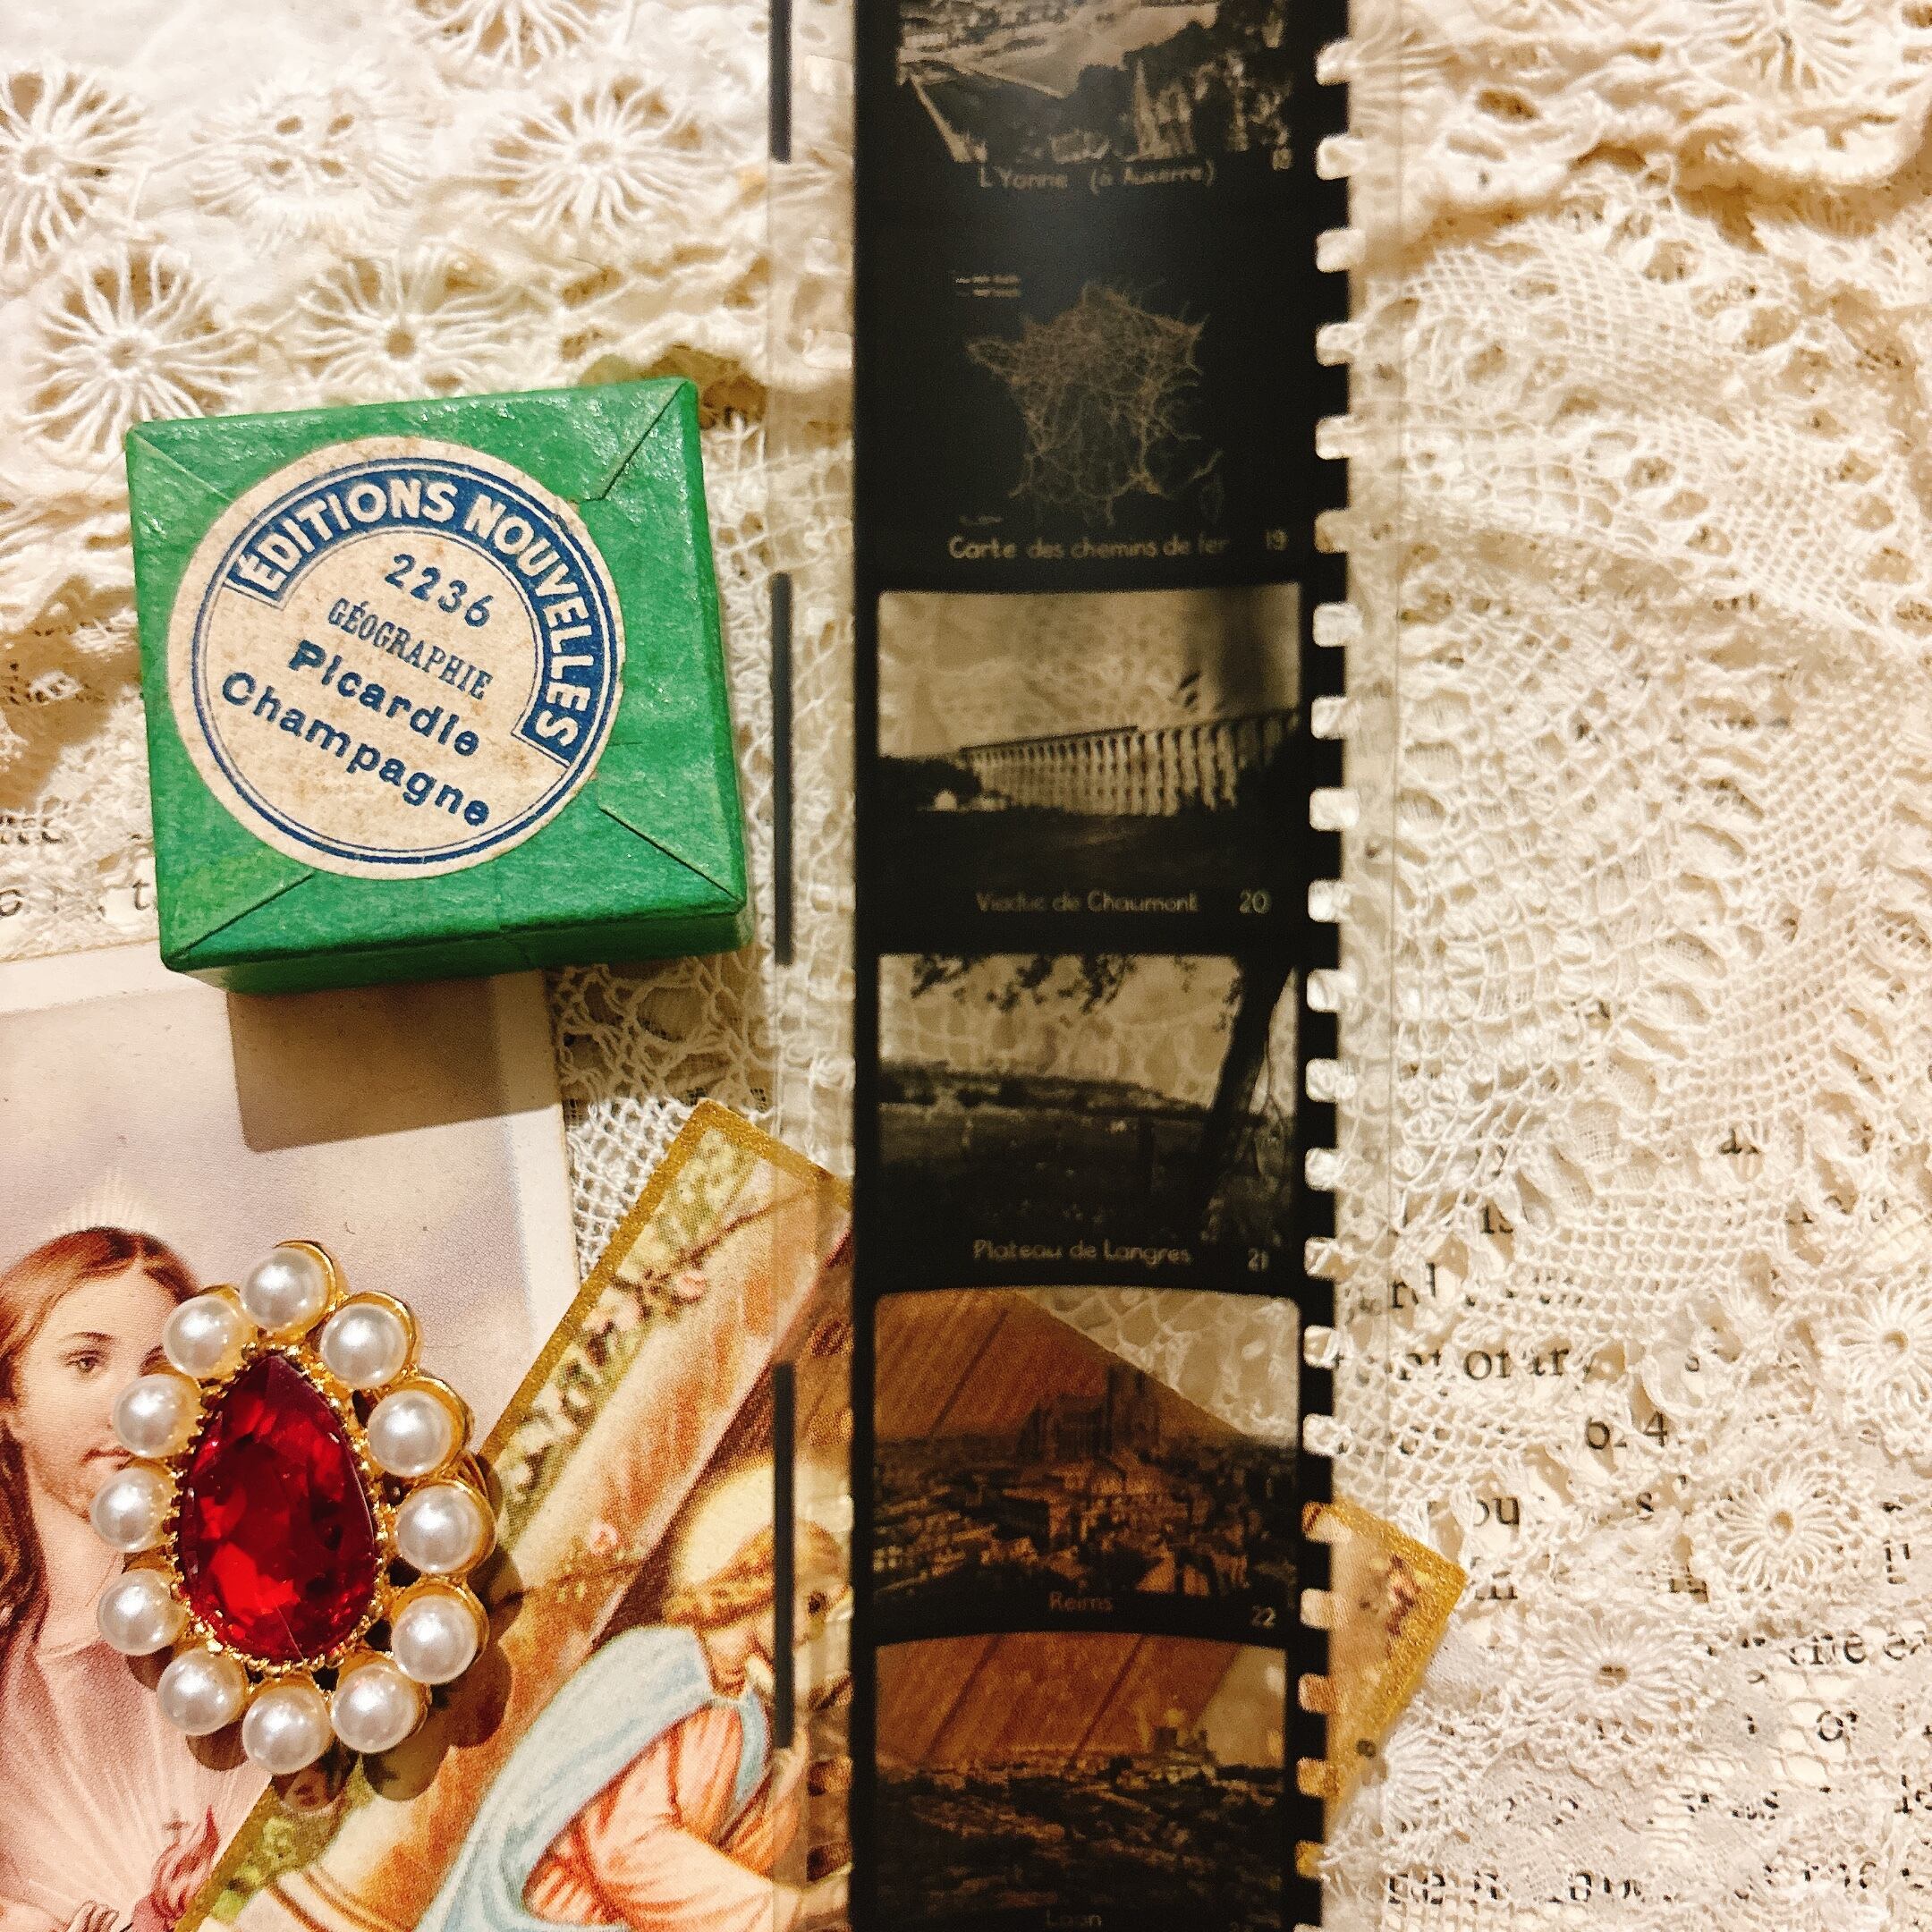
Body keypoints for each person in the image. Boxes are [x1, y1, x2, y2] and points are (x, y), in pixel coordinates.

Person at [421, 1494, 850, 1932]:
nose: (814, 1631)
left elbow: (720, 1865)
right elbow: (622, 1848)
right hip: (551, 1913)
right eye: (813, 1604)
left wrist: (780, 1797)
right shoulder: (656, 1662)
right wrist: (793, 1907)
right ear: (772, 1582)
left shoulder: (747, 1718)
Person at [0, 1229, 261, 1932]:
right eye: (86, 1362)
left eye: (158, 1367)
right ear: (10, 1402)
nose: (131, 1400)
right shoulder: (5, 1680)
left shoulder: (248, 1625)